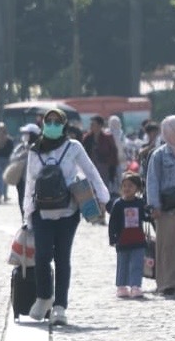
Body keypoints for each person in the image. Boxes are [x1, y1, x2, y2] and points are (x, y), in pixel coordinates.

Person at [23, 107, 110, 325]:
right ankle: (44, 297)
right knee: (42, 256)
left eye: (57, 121)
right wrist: (27, 214)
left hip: (68, 211)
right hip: (41, 212)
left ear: (63, 125)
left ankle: (60, 306)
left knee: (62, 258)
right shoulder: (34, 150)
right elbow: (30, 183)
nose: (52, 125)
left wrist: (103, 196)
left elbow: (90, 171)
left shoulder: (73, 147)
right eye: (49, 121)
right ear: (43, 124)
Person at [145, 115, 175, 296]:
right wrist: (154, 205)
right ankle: (168, 282)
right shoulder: (159, 155)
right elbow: (152, 181)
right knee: (168, 246)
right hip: (166, 207)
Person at [108, 172, 149, 299]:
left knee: (137, 264)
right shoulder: (118, 204)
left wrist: (150, 214)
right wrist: (112, 238)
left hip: (138, 239)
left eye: (130, 186)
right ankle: (121, 286)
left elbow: (145, 217)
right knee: (122, 264)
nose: (127, 188)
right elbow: (112, 222)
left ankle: (135, 286)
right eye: (124, 186)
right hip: (123, 240)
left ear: (137, 188)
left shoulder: (140, 203)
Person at [85, 115, 120, 197]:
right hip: (90, 166)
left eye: (93, 124)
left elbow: (113, 153)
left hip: (104, 167)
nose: (91, 126)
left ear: (100, 125)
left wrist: (112, 167)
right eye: (91, 124)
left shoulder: (108, 138)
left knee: (103, 187)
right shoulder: (87, 138)